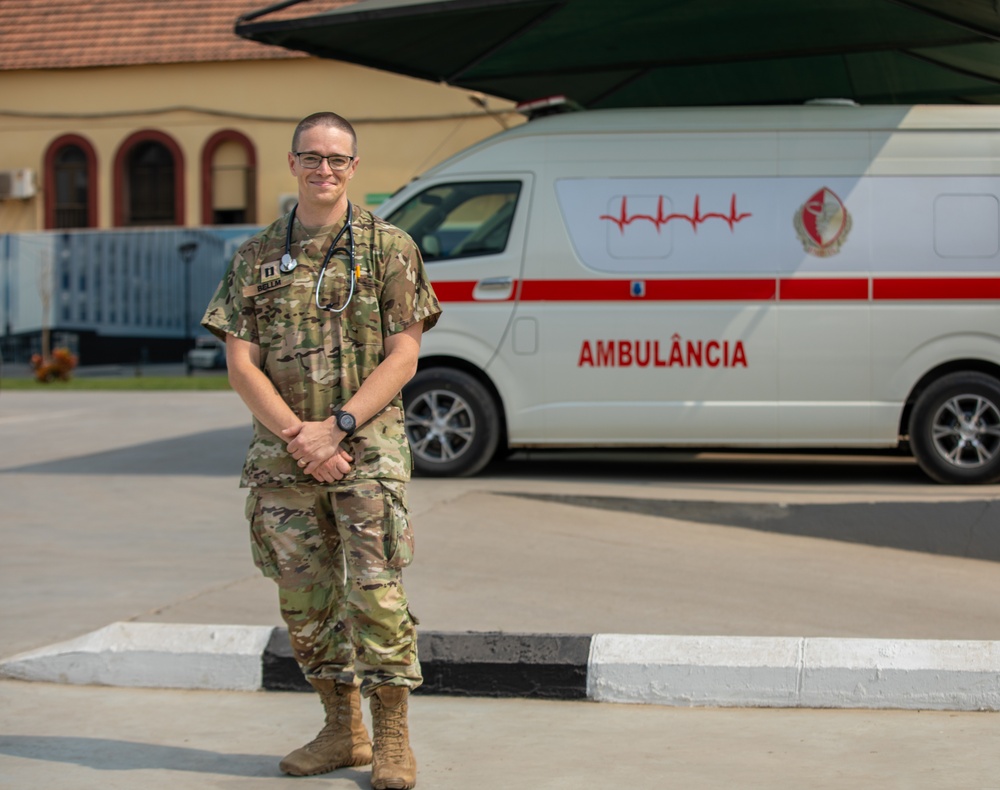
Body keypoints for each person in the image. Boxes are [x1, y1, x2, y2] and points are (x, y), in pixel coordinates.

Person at [201, 111, 440, 790]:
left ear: (354, 168)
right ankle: (343, 730)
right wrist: (299, 439)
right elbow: (240, 363)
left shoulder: (390, 247)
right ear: (293, 163)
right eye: (313, 157)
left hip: (366, 449)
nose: (325, 169)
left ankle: (392, 736)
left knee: (376, 595)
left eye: (338, 159)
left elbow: (405, 355)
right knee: (304, 603)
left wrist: (334, 428)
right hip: (284, 457)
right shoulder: (253, 257)